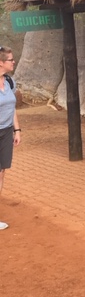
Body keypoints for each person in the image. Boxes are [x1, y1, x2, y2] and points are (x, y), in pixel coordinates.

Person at [0, 46, 20, 230]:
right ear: (1, 63)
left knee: (1, 172)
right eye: (10, 59)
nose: (13, 62)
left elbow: (12, 107)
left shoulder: (9, 82)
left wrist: (17, 130)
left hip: (6, 132)